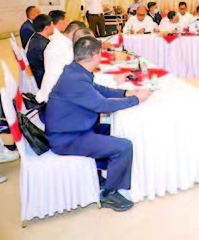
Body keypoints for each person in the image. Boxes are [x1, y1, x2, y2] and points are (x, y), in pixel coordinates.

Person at [45, 37, 152, 211]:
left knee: (112, 130)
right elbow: (102, 105)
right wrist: (136, 99)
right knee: (123, 146)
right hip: (67, 138)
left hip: (72, 128)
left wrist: (125, 93)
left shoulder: (75, 71)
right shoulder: (76, 79)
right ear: (95, 55)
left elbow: (99, 90)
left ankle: (102, 174)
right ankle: (110, 194)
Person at [36, 21, 85, 103]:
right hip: (56, 96)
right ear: (74, 33)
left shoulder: (58, 41)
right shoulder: (65, 48)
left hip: (51, 90)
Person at [26, 14, 54, 88]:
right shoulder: (44, 46)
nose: (53, 28)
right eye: (52, 25)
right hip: (42, 81)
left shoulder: (35, 38)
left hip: (37, 75)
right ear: (46, 28)